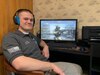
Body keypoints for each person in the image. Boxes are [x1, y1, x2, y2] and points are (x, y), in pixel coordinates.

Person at [2, 9, 83, 75]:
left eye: (31, 20)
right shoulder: (10, 37)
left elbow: (41, 41)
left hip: (46, 66)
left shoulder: (31, 35)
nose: (29, 21)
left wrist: (45, 47)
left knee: (77, 67)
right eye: (26, 19)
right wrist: (51, 65)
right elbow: (19, 64)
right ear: (17, 20)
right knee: (75, 70)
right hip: (38, 72)